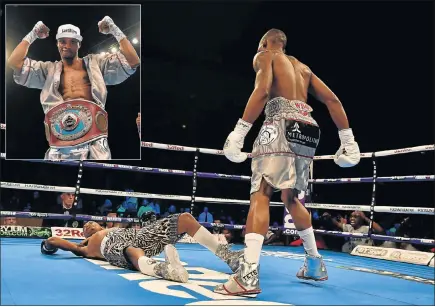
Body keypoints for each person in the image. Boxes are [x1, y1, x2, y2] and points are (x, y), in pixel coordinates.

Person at [218, 29, 361, 295]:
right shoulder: (303, 68)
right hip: (308, 129)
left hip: (280, 124)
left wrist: (239, 132)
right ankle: (315, 264)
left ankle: (247, 276)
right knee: (291, 198)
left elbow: (261, 91)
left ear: (265, 43)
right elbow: (332, 99)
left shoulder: (265, 56)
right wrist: (348, 140)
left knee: (260, 192)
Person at [7, 17, 140, 160]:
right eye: (62, 41)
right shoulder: (48, 70)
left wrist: (115, 29)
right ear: (57, 44)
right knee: (56, 181)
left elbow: (133, 61)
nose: (67, 46)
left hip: (94, 142)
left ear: (79, 44)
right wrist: (32, 34)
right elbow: (14, 62)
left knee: (93, 181)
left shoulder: (96, 64)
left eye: (72, 42)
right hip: (59, 143)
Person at [41, 212, 243, 283]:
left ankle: (229, 257)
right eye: (85, 228)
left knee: (185, 219)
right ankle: (164, 270)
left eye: (90, 223)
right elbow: (63, 243)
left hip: (140, 236)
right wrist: (49, 243)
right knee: (129, 249)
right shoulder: (87, 247)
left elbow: (138, 233)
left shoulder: (117, 228)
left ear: (100, 224)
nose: (87, 226)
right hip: (116, 248)